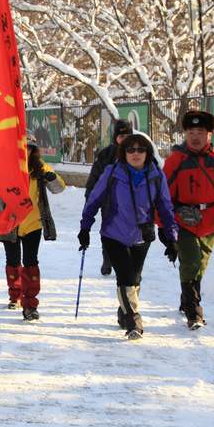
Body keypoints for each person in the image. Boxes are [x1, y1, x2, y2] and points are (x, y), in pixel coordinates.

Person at [78, 134, 177, 339]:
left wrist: (172, 237)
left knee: (135, 278)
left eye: (140, 150)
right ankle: (133, 321)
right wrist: (85, 227)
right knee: (126, 277)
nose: (135, 154)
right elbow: (94, 199)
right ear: (123, 153)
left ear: (148, 153)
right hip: (113, 233)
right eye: (130, 150)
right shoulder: (113, 172)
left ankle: (124, 312)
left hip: (142, 235)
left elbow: (166, 208)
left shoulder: (156, 175)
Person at [162, 110, 214, 330]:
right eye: (191, 132)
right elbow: (162, 194)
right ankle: (194, 312)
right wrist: (162, 225)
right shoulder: (175, 160)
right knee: (191, 262)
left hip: (211, 220)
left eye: (200, 132)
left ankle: (186, 298)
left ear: (209, 134)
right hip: (183, 220)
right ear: (185, 134)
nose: (195, 136)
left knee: (200, 266)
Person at [0, 144, 66, 319]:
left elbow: (59, 188)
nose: (23, 150)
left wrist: (52, 177)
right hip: (9, 222)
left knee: (31, 262)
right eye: (18, 146)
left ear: (33, 150)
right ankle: (15, 295)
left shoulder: (40, 167)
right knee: (12, 260)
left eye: (28, 147)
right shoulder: (3, 167)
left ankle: (30, 304)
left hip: (33, 223)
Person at [84, 119, 133, 276]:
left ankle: (128, 262)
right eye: (120, 136)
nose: (124, 139)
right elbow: (94, 179)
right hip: (110, 203)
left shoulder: (139, 153)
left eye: (127, 135)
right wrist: (89, 201)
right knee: (109, 232)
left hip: (132, 204)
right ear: (115, 138)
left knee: (131, 233)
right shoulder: (106, 155)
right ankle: (108, 258)